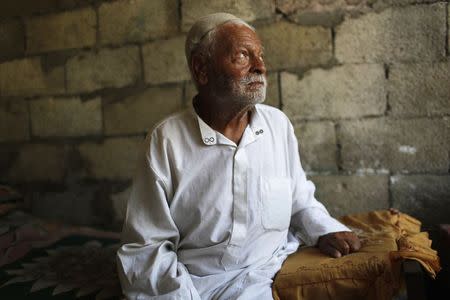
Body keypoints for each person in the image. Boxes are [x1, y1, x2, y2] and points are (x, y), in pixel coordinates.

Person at [116, 13, 361, 300]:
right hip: (199, 285)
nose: (260, 67)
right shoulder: (166, 141)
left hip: (273, 269)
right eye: (243, 56)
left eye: (260, 56)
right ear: (201, 69)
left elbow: (299, 200)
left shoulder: (278, 125)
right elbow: (147, 249)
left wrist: (325, 230)